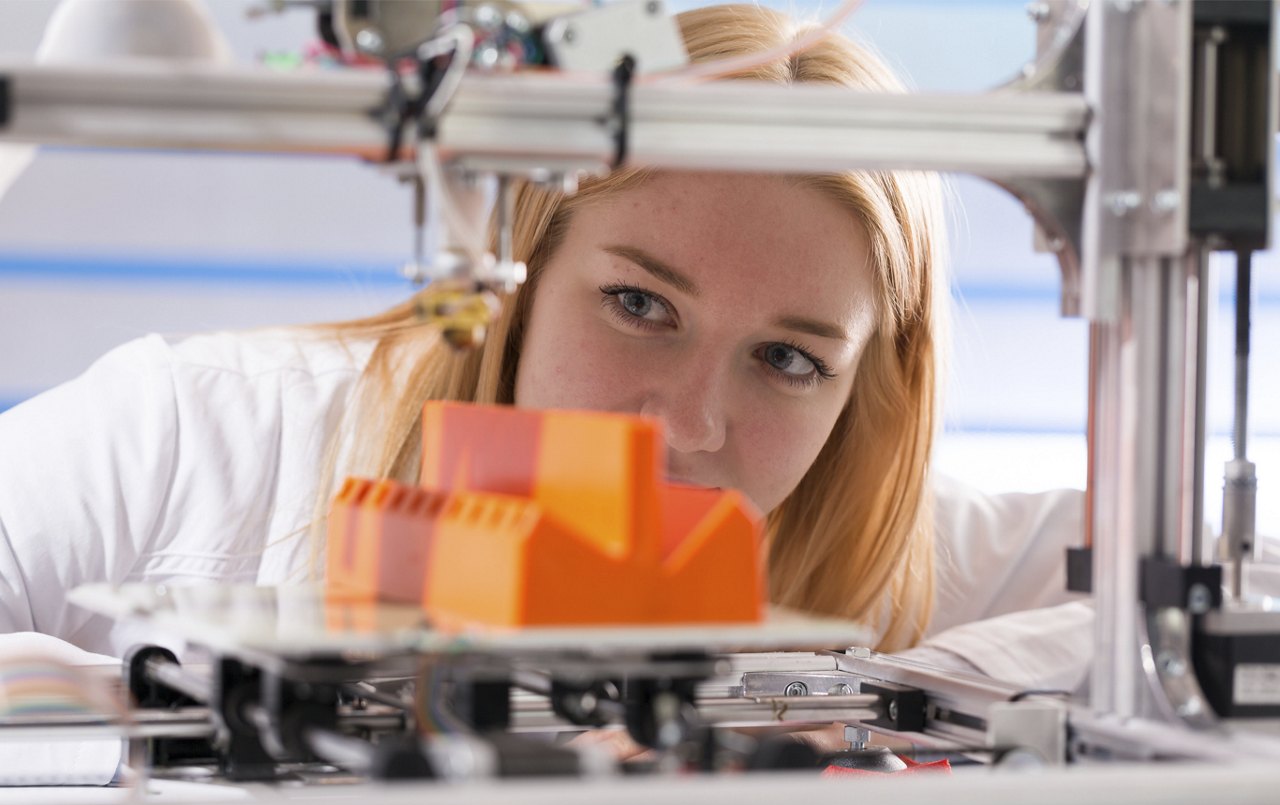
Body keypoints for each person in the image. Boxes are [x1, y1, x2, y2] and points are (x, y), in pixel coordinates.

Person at [0, 4, 1092, 701]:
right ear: (519, 268)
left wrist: (895, 693)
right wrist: (146, 711)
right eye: (637, 302)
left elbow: (1251, 598)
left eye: (787, 361)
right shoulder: (195, 434)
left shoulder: (883, 548)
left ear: (863, 389)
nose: (686, 429)